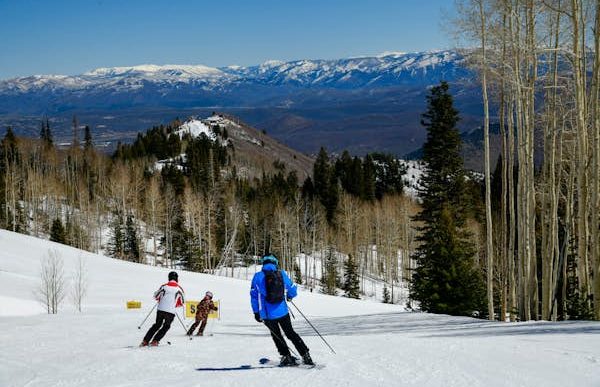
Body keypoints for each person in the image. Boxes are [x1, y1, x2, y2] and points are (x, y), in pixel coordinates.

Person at [250, 254, 314, 366]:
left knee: (277, 336)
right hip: (283, 311)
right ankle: (305, 355)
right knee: (290, 333)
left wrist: (256, 313)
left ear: (264, 263)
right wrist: (289, 296)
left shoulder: (258, 276)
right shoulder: (281, 273)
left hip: (267, 315)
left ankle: (286, 356)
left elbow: (254, 297)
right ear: (275, 263)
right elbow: (293, 288)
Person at [140, 271, 185, 347]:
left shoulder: (164, 286)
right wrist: (175, 304)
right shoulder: (179, 289)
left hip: (160, 309)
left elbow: (155, 296)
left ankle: (145, 341)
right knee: (166, 326)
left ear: (169, 278)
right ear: (177, 279)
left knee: (157, 325)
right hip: (170, 311)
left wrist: (160, 299)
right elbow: (182, 302)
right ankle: (155, 341)